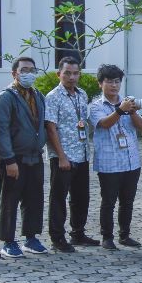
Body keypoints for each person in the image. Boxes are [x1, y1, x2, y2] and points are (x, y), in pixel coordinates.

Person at [0, 55, 49, 258]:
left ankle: (31, 238)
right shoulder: (6, 97)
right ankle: (8, 241)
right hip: (14, 158)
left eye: (32, 70)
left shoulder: (38, 95)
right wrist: (8, 159)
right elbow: (1, 130)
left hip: (35, 156)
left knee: (34, 199)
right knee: (10, 200)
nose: (28, 74)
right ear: (14, 73)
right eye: (24, 70)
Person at [88, 63, 142, 250]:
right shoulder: (95, 106)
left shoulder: (128, 102)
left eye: (117, 81)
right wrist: (120, 110)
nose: (113, 85)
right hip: (109, 163)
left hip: (131, 161)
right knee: (108, 202)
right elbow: (104, 124)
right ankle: (107, 237)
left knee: (127, 202)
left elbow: (141, 126)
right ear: (100, 84)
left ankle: (125, 235)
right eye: (109, 82)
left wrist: (133, 111)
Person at [44, 56, 98, 252]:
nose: (71, 77)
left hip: (82, 153)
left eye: (75, 73)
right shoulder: (52, 97)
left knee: (81, 197)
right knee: (59, 198)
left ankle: (78, 233)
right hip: (63, 156)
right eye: (67, 73)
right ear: (59, 74)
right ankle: (57, 238)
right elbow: (50, 128)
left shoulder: (81, 94)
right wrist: (61, 156)